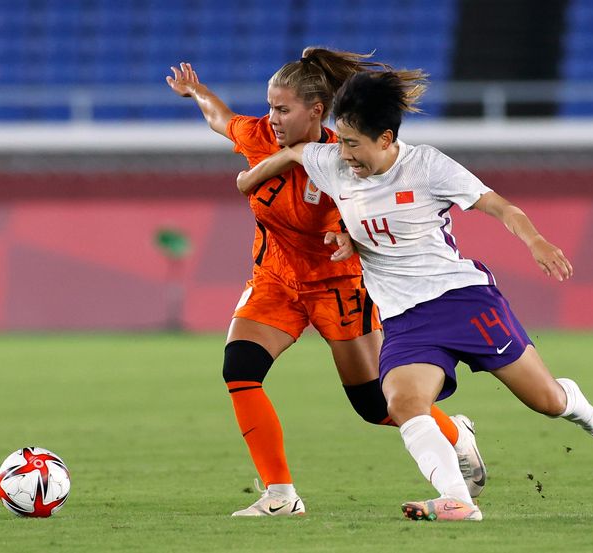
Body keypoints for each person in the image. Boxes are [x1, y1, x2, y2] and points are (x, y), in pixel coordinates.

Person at [236, 70, 593, 522]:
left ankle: (584, 410)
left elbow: (500, 205)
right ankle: (459, 500)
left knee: (546, 401)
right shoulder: (331, 162)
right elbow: (295, 153)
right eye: (341, 140)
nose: (343, 154)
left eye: (353, 144)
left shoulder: (426, 166)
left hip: (461, 300)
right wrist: (248, 179)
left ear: (386, 138)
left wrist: (535, 241)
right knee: (402, 403)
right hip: (404, 319)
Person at [166, 50, 487, 516]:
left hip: (337, 286)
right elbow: (222, 120)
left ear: (316, 111)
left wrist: (346, 232)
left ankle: (456, 433)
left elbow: (370, 209)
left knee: (375, 405)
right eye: (270, 107)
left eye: (283, 109)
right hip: (275, 279)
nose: (272, 118)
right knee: (239, 369)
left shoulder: (345, 156)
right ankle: (280, 496)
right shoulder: (258, 136)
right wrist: (196, 91)